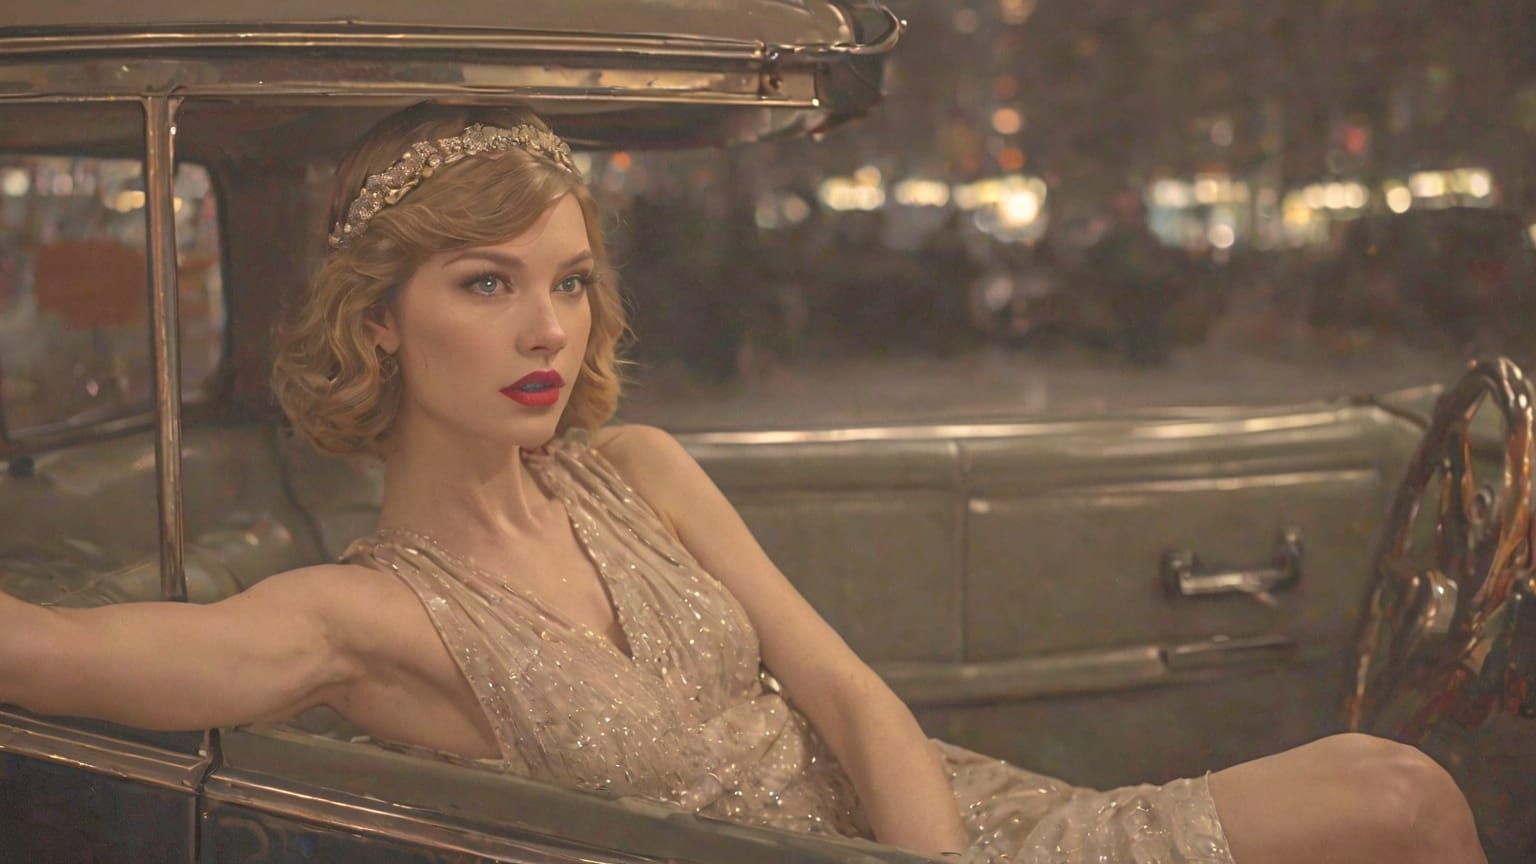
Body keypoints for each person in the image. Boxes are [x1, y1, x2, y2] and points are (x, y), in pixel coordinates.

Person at [0, 103, 1486, 864]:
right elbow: (54, 650)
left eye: (571, 281)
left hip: (953, 830)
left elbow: (848, 697)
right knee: (1396, 798)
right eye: (487, 282)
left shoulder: (637, 470)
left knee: (1398, 790)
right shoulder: (361, 618)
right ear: (381, 318)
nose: (547, 328)